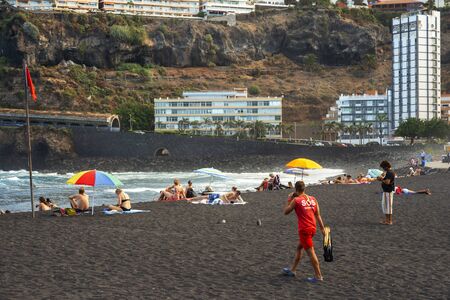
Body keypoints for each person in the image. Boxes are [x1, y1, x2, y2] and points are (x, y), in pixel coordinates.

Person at [282, 181, 326, 282]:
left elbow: (285, 212)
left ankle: (318, 276)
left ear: (295, 189)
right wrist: (322, 229)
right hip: (312, 228)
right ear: (304, 188)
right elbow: (318, 215)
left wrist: (289, 199)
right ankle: (293, 270)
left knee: (311, 253)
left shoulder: (296, 200)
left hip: (304, 229)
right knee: (299, 248)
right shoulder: (313, 199)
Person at [377, 160, 395, 225]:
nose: (383, 169)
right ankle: (387, 220)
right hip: (386, 191)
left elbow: (387, 182)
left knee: (388, 206)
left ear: (386, 166)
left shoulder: (390, 173)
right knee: (385, 206)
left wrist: (381, 179)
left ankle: (389, 221)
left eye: (383, 167)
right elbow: (386, 180)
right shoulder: (388, 172)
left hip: (388, 191)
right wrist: (382, 178)